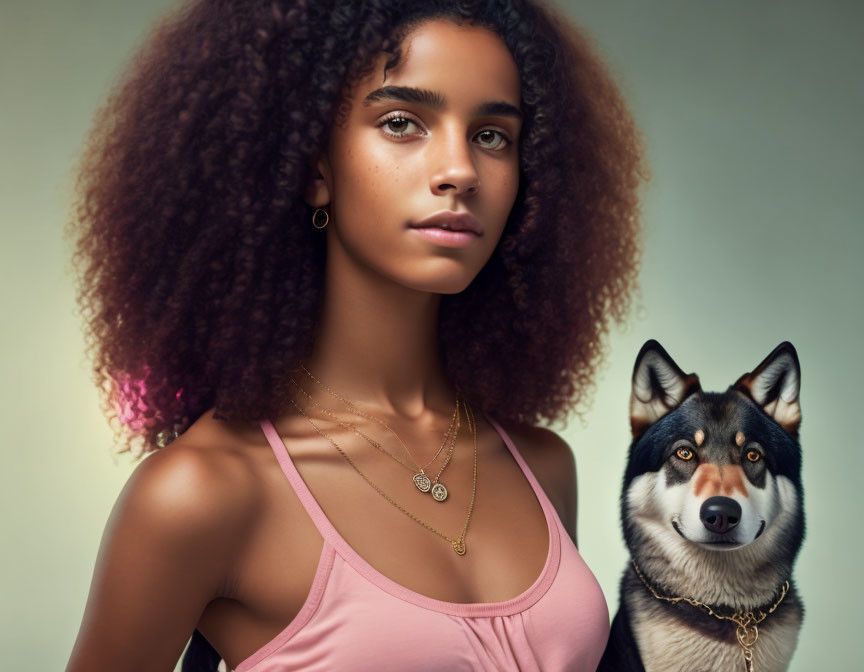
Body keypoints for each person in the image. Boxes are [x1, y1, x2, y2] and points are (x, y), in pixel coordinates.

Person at [65, 0, 644, 670]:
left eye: (492, 136)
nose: (460, 170)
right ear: (313, 168)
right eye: (402, 123)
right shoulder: (205, 492)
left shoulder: (542, 466)